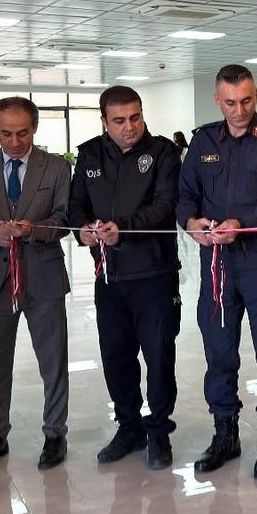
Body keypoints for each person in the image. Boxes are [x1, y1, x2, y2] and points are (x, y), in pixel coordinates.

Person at [178, 64, 257, 480]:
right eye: (230, 102)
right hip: (217, 264)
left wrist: (241, 224)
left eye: (246, 100)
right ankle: (225, 434)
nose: (239, 109)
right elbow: (185, 195)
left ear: (256, 96)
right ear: (218, 101)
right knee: (218, 350)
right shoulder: (203, 142)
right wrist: (191, 223)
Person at [69, 86, 183, 469]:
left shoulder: (163, 153)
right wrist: (82, 229)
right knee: (116, 356)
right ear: (104, 121)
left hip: (154, 274)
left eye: (135, 117)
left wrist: (125, 229)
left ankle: (159, 431)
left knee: (158, 356)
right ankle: (129, 426)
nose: (129, 126)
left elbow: (166, 206)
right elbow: (76, 206)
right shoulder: (89, 155)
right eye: (119, 120)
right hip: (108, 276)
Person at [0, 97, 73, 472]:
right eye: (6, 133)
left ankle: (55, 434)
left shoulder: (56, 168)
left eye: (22, 133)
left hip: (44, 277)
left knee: (53, 360)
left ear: (35, 129)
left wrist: (33, 229)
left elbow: (64, 220)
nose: (14, 142)